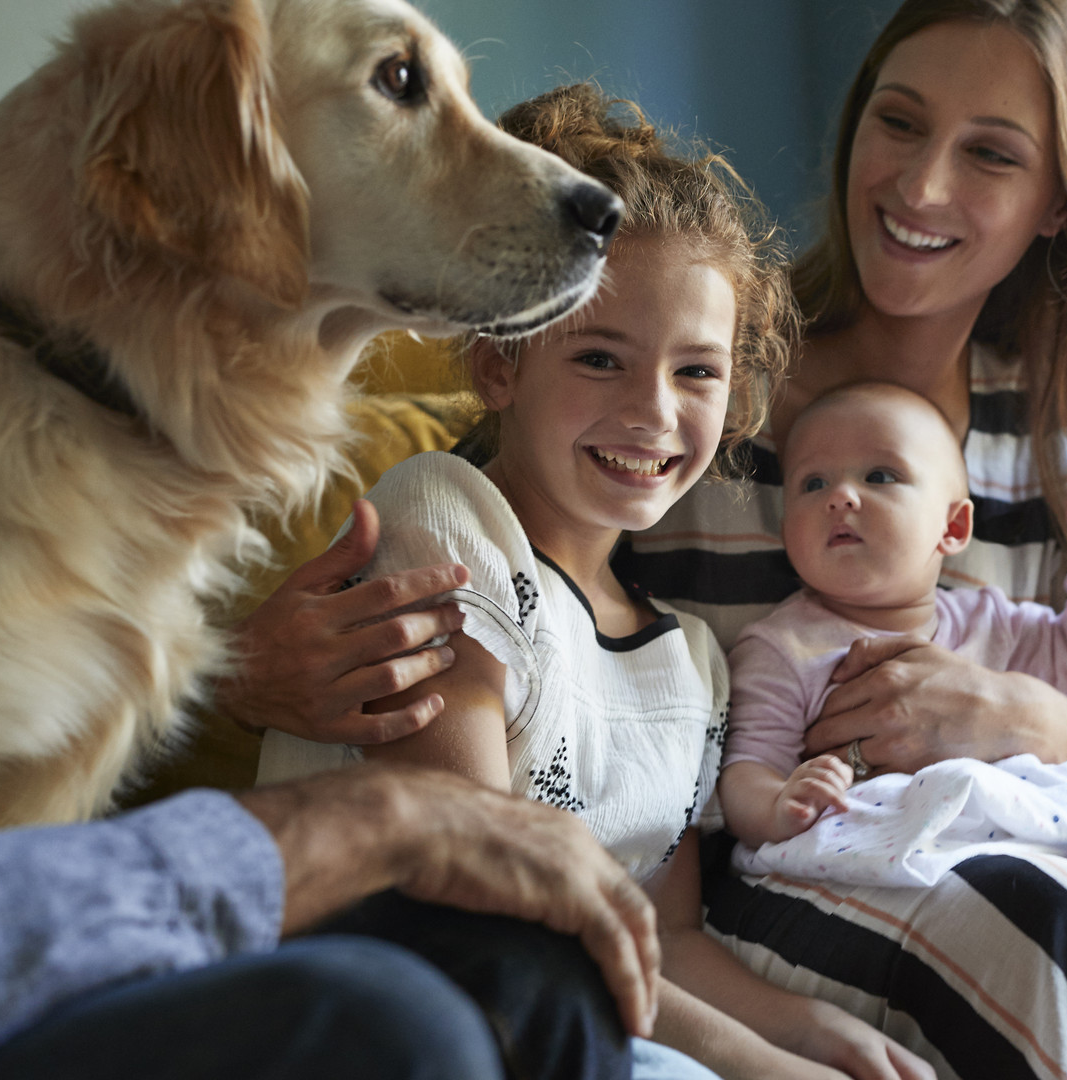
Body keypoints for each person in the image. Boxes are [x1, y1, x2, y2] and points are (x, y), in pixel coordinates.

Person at [0, 5, 657, 1078]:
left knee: (531, 975)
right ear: (215, 163)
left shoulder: (125, 429)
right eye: (398, 85)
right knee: (396, 1027)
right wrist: (370, 820)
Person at [610, 2, 1067, 1076]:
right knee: (1049, 937)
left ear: (1059, 205)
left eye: (991, 154)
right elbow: (510, 569)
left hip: (1020, 882)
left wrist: (1011, 709)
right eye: (899, 124)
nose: (919, 188)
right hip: (765, 910)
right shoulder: (699, 389)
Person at [259, 84, 936, 1080]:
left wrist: (811, 1034)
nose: (654, 414)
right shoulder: (445, 517)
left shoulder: (692, 662)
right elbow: (486, 890)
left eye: (696, 372)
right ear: (500, 369)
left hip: (580, 1018)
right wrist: (762, 1068)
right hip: (403, 1014)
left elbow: (672, 940)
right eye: (601, 357)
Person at [718, 381, 1067, 850]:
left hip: (1016, 844)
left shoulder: (993, 624)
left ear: (954, 526)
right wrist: (777, 805)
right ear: (787, 532)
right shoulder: (782, 649)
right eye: (814, 483)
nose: (840, 496)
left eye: (880, 477)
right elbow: (748, 767)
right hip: (873, 858)